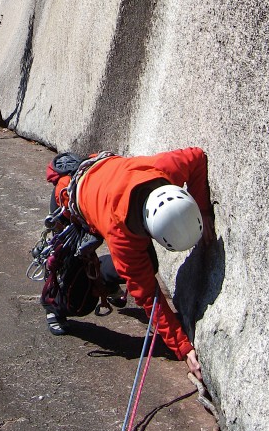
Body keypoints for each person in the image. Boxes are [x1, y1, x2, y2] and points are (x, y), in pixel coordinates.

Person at [46, 147, 214, 381]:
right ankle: (54, 306)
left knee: (148, 265)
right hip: (67, 201)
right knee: (77, 300)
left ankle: (106, 280)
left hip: (99, 176)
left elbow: (197, 157)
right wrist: (183, 348)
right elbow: (148, 295)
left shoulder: (163, 170)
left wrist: (204, 211)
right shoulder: (121, 236)